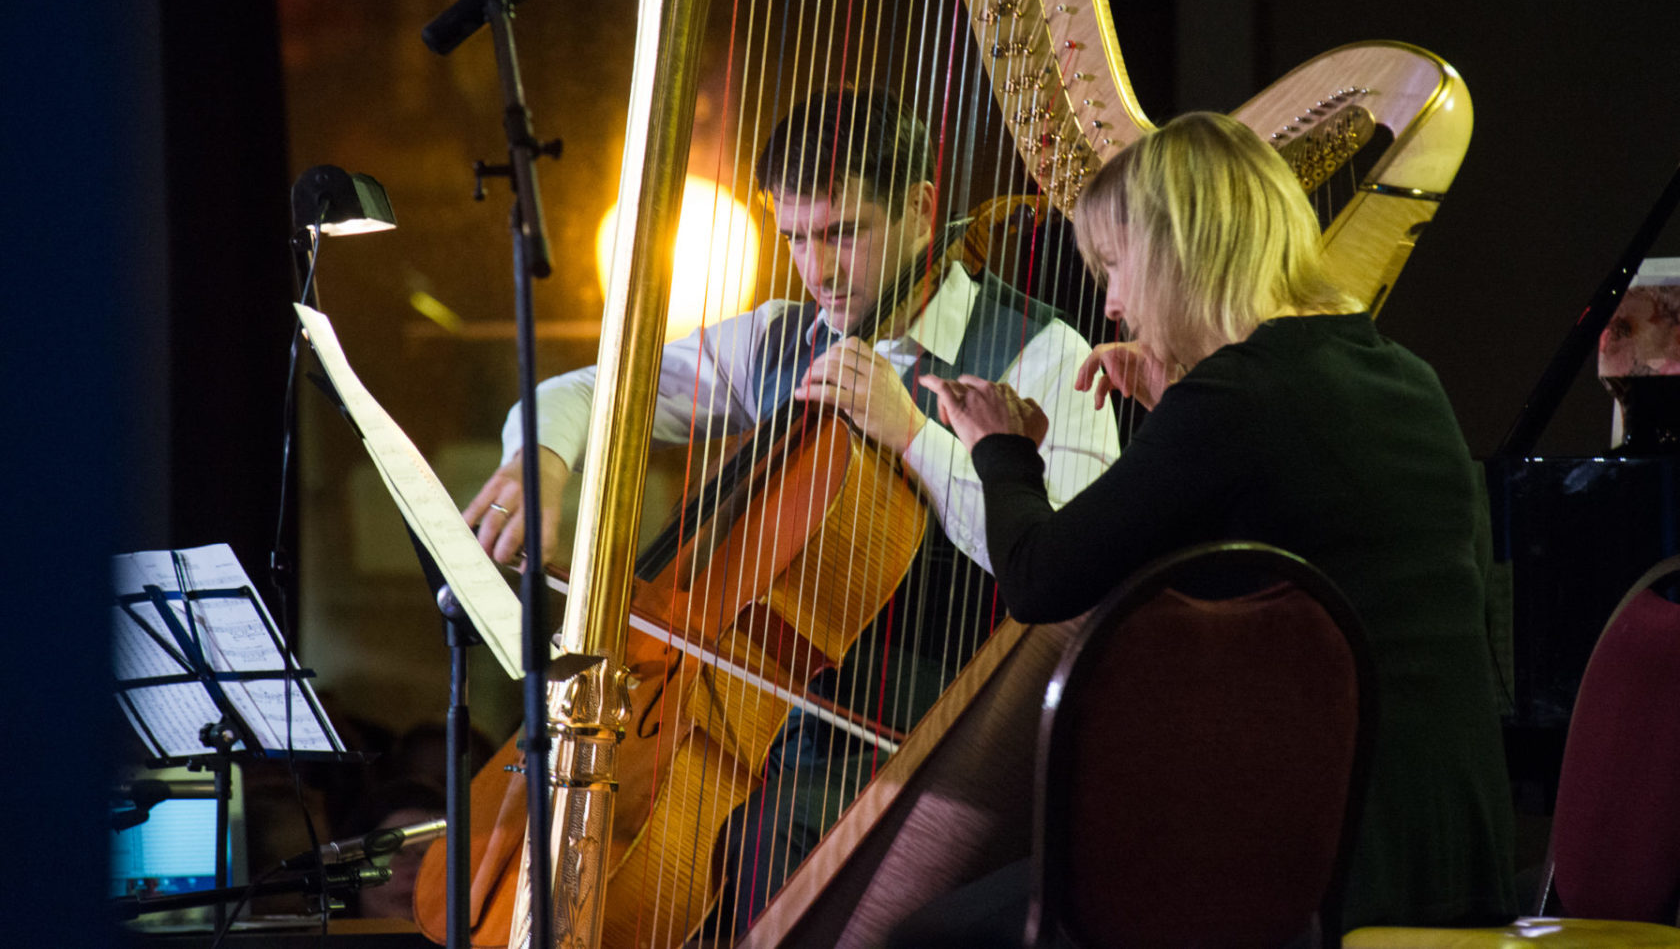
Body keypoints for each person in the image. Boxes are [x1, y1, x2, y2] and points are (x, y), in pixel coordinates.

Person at [464, 87, 1120, 926]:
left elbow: (1071, 568)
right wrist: (538, 464)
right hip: (761, 732)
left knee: (754, 847)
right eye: (797, 237)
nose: (820, 270)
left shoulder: (1042, 352)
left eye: (844, 233)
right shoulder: (781, 336)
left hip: (923, 746)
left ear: (921, 208)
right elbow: (593, 390)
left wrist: (912, 432)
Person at [913, 110, 1516, 936]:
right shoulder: (1403, 372)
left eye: (1118, 267)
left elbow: (1038, 578)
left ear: (1179, 253)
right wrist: (1173, 405)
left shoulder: (1235, 398)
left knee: (934, 934)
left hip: (1318, 862)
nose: (1115, 304)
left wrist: (1001, 449)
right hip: (1453, 846)